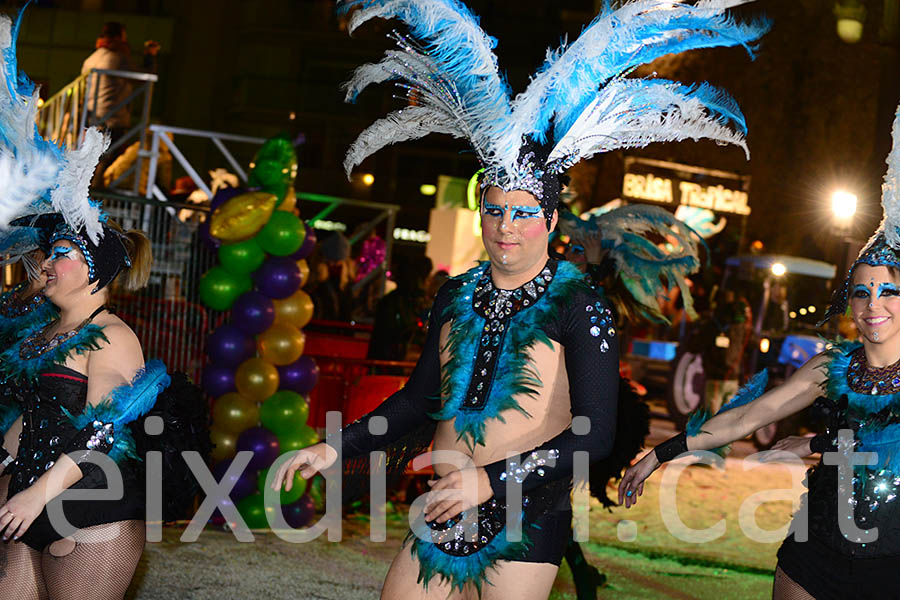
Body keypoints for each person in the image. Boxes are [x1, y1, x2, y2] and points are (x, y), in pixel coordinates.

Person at [271, 1, 766, 597]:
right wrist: (337, 445)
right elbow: (420, 398)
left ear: (551, 219)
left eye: (524, 213)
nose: (507, 226)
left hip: (528, 512)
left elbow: (594, 434)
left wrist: (490, 480)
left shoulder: (580, 305)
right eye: (496, 210)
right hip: (443, 502)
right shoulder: (456, 294)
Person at [618, 103, 900, 600]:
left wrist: (813, 445)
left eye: (889, 291)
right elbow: (746, 417)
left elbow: (881, 451)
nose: (873, 305)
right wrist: (659, 454)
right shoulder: (828, 368)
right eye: (862, 291)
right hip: (813, 553)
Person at [367, 254, 433, 361]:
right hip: (395, 362)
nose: (429, 281)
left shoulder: (391, 301)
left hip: (388, 362)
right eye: (427, 276)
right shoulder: (410, 303)